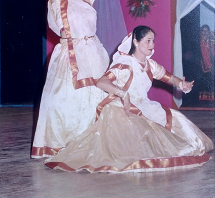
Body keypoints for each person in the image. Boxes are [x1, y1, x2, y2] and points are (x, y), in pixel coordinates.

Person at [45, 26, 213, 172]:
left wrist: (181, 85)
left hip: (145, 105)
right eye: (147, 41)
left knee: (178, 121)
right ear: (135, 42)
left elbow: (169, 77)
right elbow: (101, 82)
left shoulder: (149, 65)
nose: (151, 45)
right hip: (122, 107)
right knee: (139, 140)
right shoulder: (124, 63)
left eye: (153, 41)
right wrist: (123, 94)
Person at [31, 0, 109, 158]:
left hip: (93, 54)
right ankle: (66, 144)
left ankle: (93, 143)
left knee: (95, 96)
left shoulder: (86, 0)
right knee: (64, 100)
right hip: (69, 57)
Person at [199, 24, 215, 101]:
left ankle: (211, 99)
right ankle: (203, 99)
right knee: (203, 80)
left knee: (210, 80)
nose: (204, 33)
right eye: (203, 31)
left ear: (209, 31)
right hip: (202, 64)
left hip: (211, 63)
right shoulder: (198, 40)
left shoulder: (211, 40)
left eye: (206, 31)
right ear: (200, 32)